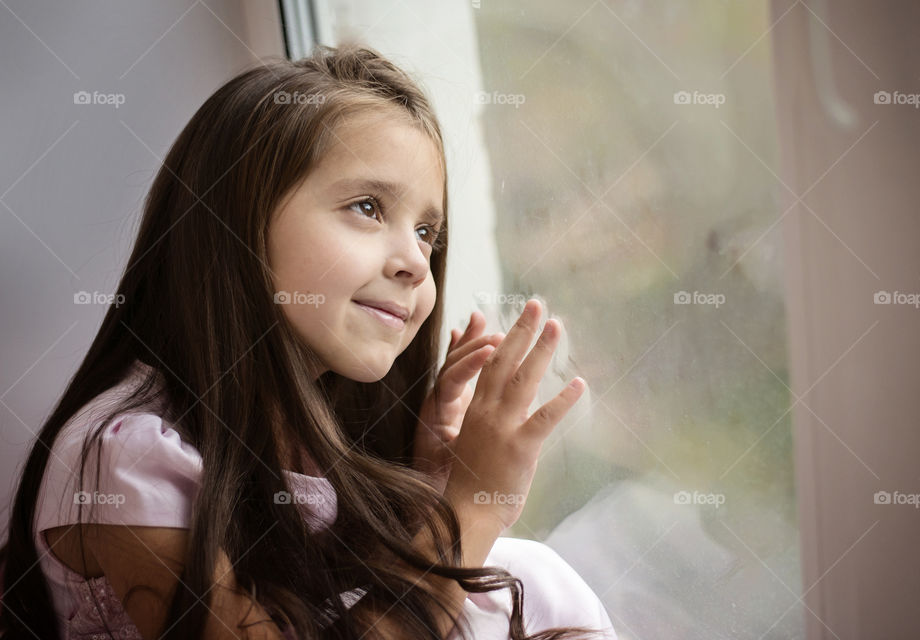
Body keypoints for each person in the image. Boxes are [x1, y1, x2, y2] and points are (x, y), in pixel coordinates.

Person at [0, 42, 618, 640]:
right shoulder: (129, 455)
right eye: (368, 207)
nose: (415, 261)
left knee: (531, 577)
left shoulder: (308, 455)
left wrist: (430, 493)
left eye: (428, 230)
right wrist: (470, 510)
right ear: (234, 221)